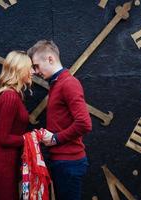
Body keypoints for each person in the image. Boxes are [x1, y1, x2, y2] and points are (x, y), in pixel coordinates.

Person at [28, 40, 92, 200]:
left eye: (36, 66)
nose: (35, 71)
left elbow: (84, 123)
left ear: (50, 59)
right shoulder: (57, 84)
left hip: (69, 163)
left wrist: (56, 138)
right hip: (63, 162)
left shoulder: (68, 83)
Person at [0, 50, 33, 200]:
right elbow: (3, 138)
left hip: (7, 164)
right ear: (20, 69)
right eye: (29, 67)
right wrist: (29, 138)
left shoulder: (14, 95)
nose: (33, 71)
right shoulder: (10, 97)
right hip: (1, 166)